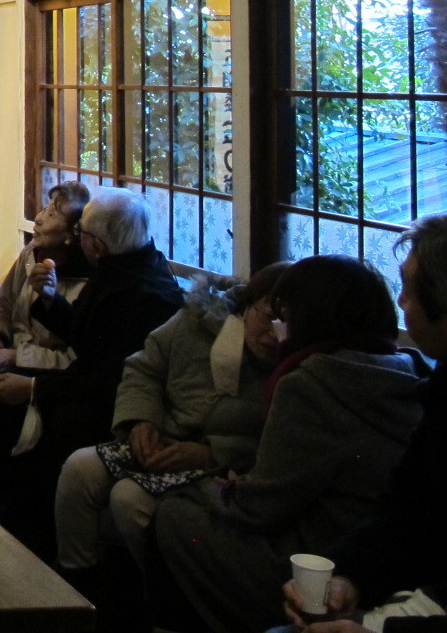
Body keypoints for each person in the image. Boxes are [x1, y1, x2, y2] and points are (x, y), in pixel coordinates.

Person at [151, 255, 426, 633]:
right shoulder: (406, 367)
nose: (278, 328)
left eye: (285, 316)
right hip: (374, 554)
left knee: (173, 514)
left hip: (318, 560)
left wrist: (207, 486)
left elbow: (261, 506)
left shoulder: (312, 381)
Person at [54, 261, 288, 624]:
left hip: (217, 470)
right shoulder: (196, 321)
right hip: (160, 438)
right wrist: (140, 420)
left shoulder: (290, 371)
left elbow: (271, 442)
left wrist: (211, 453)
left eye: (285, 324)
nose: (274, 334)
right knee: (79, 469)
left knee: (129, 498)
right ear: (249, 304)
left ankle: (168, 604)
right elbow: (142, 368)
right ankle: (76, 591)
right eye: (268, 316)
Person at [0, 187, 184, 557]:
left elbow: (111, 380)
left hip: (123, 408)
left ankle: (42, 548)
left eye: (82, 233)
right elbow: (86, 333)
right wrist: (51, 300)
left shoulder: (148, 294)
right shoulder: (121, 266)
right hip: (88, 381)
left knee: (63, 423)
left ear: (98, 245)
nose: (78, 240)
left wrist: (33, 387)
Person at [272, 218, 447, 633]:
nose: (401, 302)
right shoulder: (438, 384)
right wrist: (349, 578)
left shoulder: (310, 380)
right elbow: (403, 510)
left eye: (409, 290)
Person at [0, 180, 92, 507]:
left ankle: (5, 497)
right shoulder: (31, 254)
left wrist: (15, 355)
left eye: (52, 214)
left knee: (2, 399)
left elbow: (73, 355)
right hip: (11, 352)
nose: (39, 218)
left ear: (72, 234)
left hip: (48, 370)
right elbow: (2, 305)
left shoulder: (88, 279)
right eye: (44, 208)